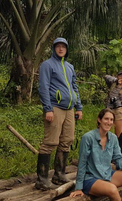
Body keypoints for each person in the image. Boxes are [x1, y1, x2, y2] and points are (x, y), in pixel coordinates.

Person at [35, 37, 83, 190]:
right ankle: (42, 179)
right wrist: (48, 108)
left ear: (67, 49)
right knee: (50, 142)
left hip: (69, 109)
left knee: (67, 139)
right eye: (58, 46)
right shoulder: (47, 65)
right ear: (54, 48)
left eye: (64, 47)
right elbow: (43, 86)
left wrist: (79, 107)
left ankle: (59, 174)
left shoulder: (69, 67)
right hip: (55, 107)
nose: (61, 49)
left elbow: (74, 87)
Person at [69, 108, 122, 201]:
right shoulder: (88, 138)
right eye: (106, 119)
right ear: (99, 120)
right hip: (90, 178)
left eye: (111, 120)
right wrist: (78, 188)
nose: (109, 122)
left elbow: (119, 158)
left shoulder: (113, 138)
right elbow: (82, 163)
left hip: (107, 174)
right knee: (113, 189)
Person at [104, 70, 122, 137]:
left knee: (119, 133)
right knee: (105, 130)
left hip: (119, 111)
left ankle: (118, 146)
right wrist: (116, 80)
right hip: (109, 109)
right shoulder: (112, 85)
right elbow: (106, 77)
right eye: (120, 76)